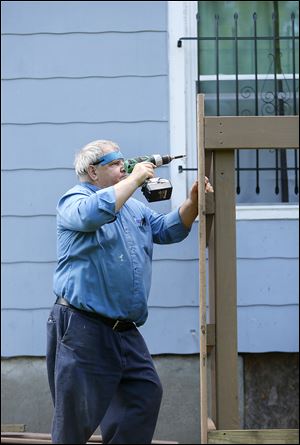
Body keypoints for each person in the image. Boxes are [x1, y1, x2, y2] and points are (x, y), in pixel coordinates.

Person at [46, 139, 213, 444]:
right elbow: (93, 214)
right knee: (76, 417)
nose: (123, 167)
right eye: (114, 163)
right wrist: (136, 179)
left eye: (123, 162)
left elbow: (167, 229)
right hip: (83, 324)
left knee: (144, 393)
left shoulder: (133, 206)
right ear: (93, 172)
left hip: (124, 329)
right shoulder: (74, 200)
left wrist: (192, 202)